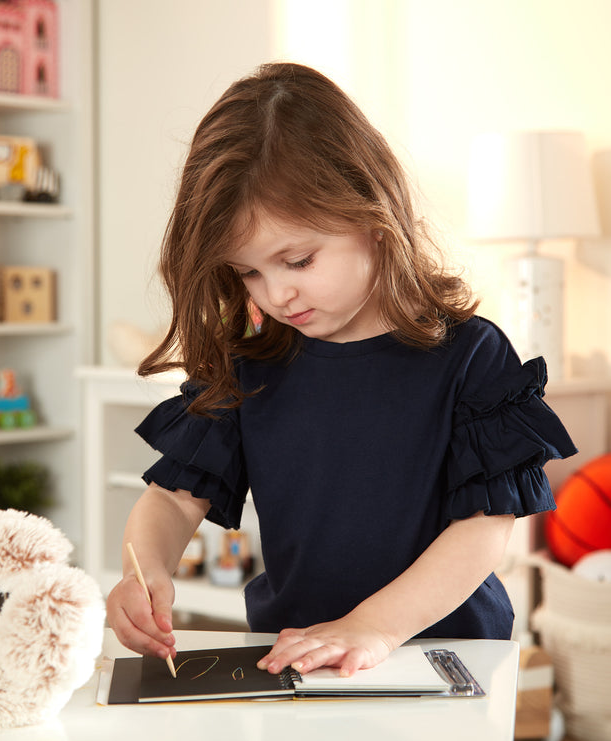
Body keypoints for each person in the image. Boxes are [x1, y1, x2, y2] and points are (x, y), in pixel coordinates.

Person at [106, 62, 576, 678]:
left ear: (372, 215)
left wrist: (372, 629)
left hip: (443, 661)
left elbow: (483, 532)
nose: (276, 294)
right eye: (249, 272)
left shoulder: (470, 356)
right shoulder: (249, 364)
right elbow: (171, 500)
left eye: (297, 260)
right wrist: (145, 572)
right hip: (295, 659)